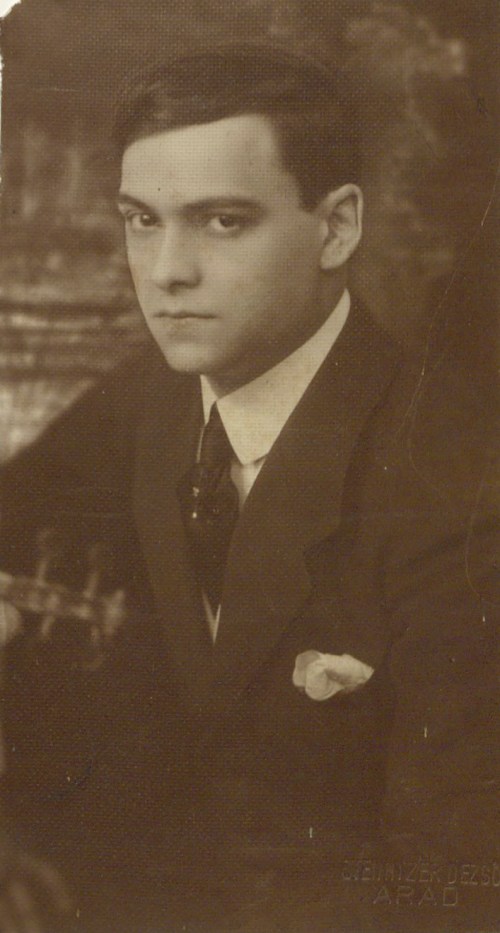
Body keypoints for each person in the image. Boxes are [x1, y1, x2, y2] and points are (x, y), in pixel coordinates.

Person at [0, 42, 498, 933]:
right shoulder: (149, 397)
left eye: (222, 222)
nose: (166, 271)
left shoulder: (462, 484)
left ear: (337, 228)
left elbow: (458, 885)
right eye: (142, 220)